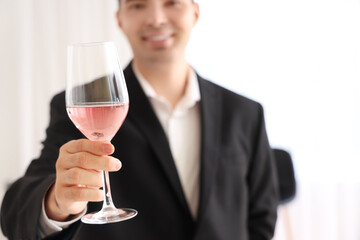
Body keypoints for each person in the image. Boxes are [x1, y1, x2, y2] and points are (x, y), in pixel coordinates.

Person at [1, 0, 279, 239]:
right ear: (120, 19)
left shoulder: (245, 113)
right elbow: (15, 213)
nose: (156, 18)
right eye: (138, 4)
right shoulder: (82, 103)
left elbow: (262, 216)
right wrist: (58, 202)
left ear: (195, 13)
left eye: (172, 2)